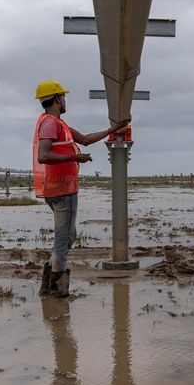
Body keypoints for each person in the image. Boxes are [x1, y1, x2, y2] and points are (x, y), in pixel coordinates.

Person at [32, 80, 129, 297]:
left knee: (68, 236)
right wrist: (75, 156)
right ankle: (57, 291)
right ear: (57, 99)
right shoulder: (50, 124)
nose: (65, 100)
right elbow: (44, 155)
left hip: (63, 188)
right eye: (63, 97)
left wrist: (112, 129)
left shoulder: (59, 124)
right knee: (62, 240)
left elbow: (84, 139)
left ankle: (48, 280)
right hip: (62, 191)